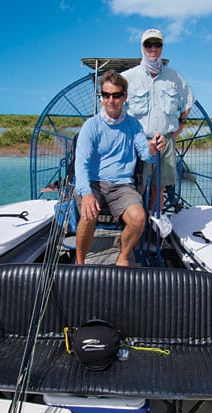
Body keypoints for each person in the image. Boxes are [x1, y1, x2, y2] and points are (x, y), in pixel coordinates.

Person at [75, 69, 163, 266]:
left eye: (115, 95)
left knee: (138, 217)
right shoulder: (91, 126)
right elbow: (81, 163)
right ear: (101, 98)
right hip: (93, 183)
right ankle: (79, 263)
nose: (110, 100)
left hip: (122, 186)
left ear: (124, 97)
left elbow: (146, 155)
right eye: (106, 95)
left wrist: (152, 148)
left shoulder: (133, 125)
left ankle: (122, 258)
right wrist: (87, 194)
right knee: (88, 215)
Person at [122, 28, 195, 212]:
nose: (153, 48)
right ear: (142, 47)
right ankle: (136, 226)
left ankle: (153, 228)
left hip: (166, 142)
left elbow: (187, 102)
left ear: (162, 47)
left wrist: (180, 126)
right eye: (149, 44)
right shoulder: (128, 78)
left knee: (159, 188)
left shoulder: (174, 77)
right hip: (138, 142)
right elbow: (113, 108)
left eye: (157, 44)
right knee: (137, 189)